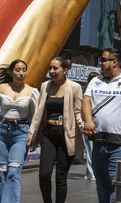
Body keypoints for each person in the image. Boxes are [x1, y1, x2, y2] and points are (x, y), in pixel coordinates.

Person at [82, 48, 121, 203]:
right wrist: (88, 121)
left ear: (114, 62)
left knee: (117, 186)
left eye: (103, 60)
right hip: (98, 141)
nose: (100, 63)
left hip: (120, 143)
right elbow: (86, 102)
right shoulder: (95, 81)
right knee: (101, 184)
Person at [0, 60, 39, 203]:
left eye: (24, 70)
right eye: (18, 70)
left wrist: (32, 134)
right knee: (1, 171)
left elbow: (35, 116)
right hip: (1, 131)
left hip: (21, 132)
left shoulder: (32, 91)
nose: (21, 73)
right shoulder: (1, 88)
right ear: (11, 72)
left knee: (14, 170)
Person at [27, 56, 84, 203]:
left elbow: (78, 112)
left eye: (55, 68)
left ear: (65, 70)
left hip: (67, 135)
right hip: (48, 133)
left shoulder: (75, 87)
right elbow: (38, 112)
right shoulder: (45, 86)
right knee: (44, 174)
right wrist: (32, 132)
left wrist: (84, 127)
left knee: (61, 176)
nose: (51, 71)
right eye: (50, 68)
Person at [82, 73, 98, 181]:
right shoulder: (86, 94)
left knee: (91, 150)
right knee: (89, 150)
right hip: (88, 125)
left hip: (96, 125)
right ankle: (91, 173)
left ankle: (89, 172)